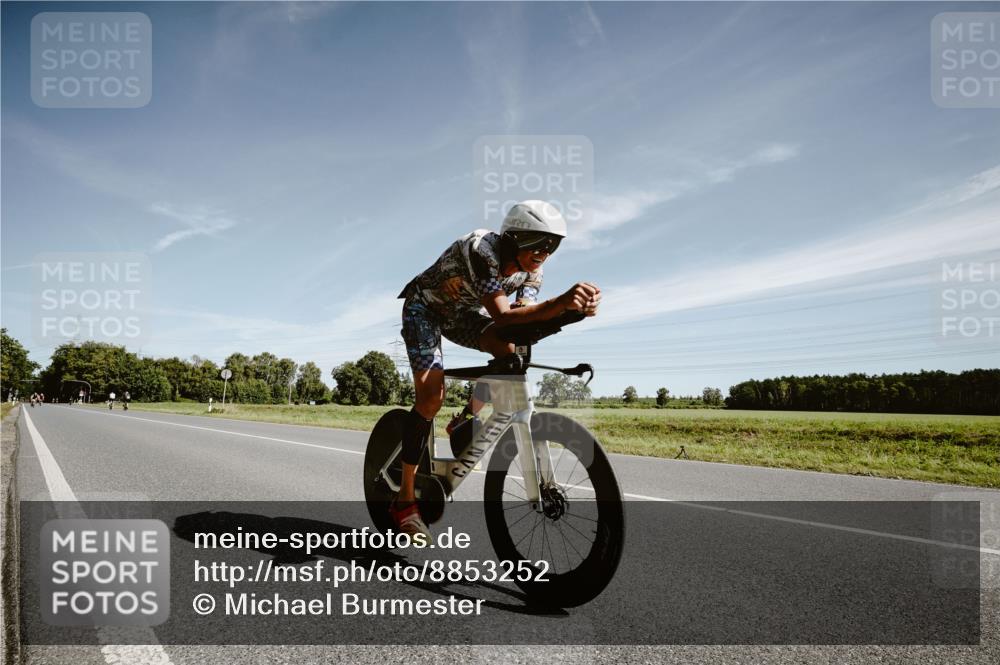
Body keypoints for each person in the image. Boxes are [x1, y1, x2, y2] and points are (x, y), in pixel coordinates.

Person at [394, 200, 601, 541]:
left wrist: (575, 311)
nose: (543, 252)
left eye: (553, 244)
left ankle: (464, 418)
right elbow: (504, 317)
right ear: (512, 238)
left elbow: (523, 319)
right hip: (425, 309)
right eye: (536, 242)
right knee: (431, 398)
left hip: (462, 315)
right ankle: (404, 501)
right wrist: (562, 303)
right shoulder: (482, 249)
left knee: (511, 351)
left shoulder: (533, 271)